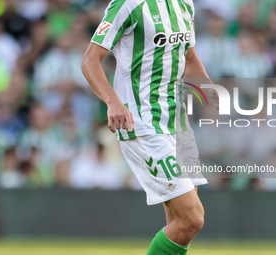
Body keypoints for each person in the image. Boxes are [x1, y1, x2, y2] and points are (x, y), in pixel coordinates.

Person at [82, 0, 217, 254]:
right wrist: (113, 102)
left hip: (178, 124)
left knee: (181, 225)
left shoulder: (185, 4)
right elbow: (90, 60)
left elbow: (189, 58)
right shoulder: (127, 5)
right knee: (192, 218)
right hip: (142, 123)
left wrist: (211, 92)